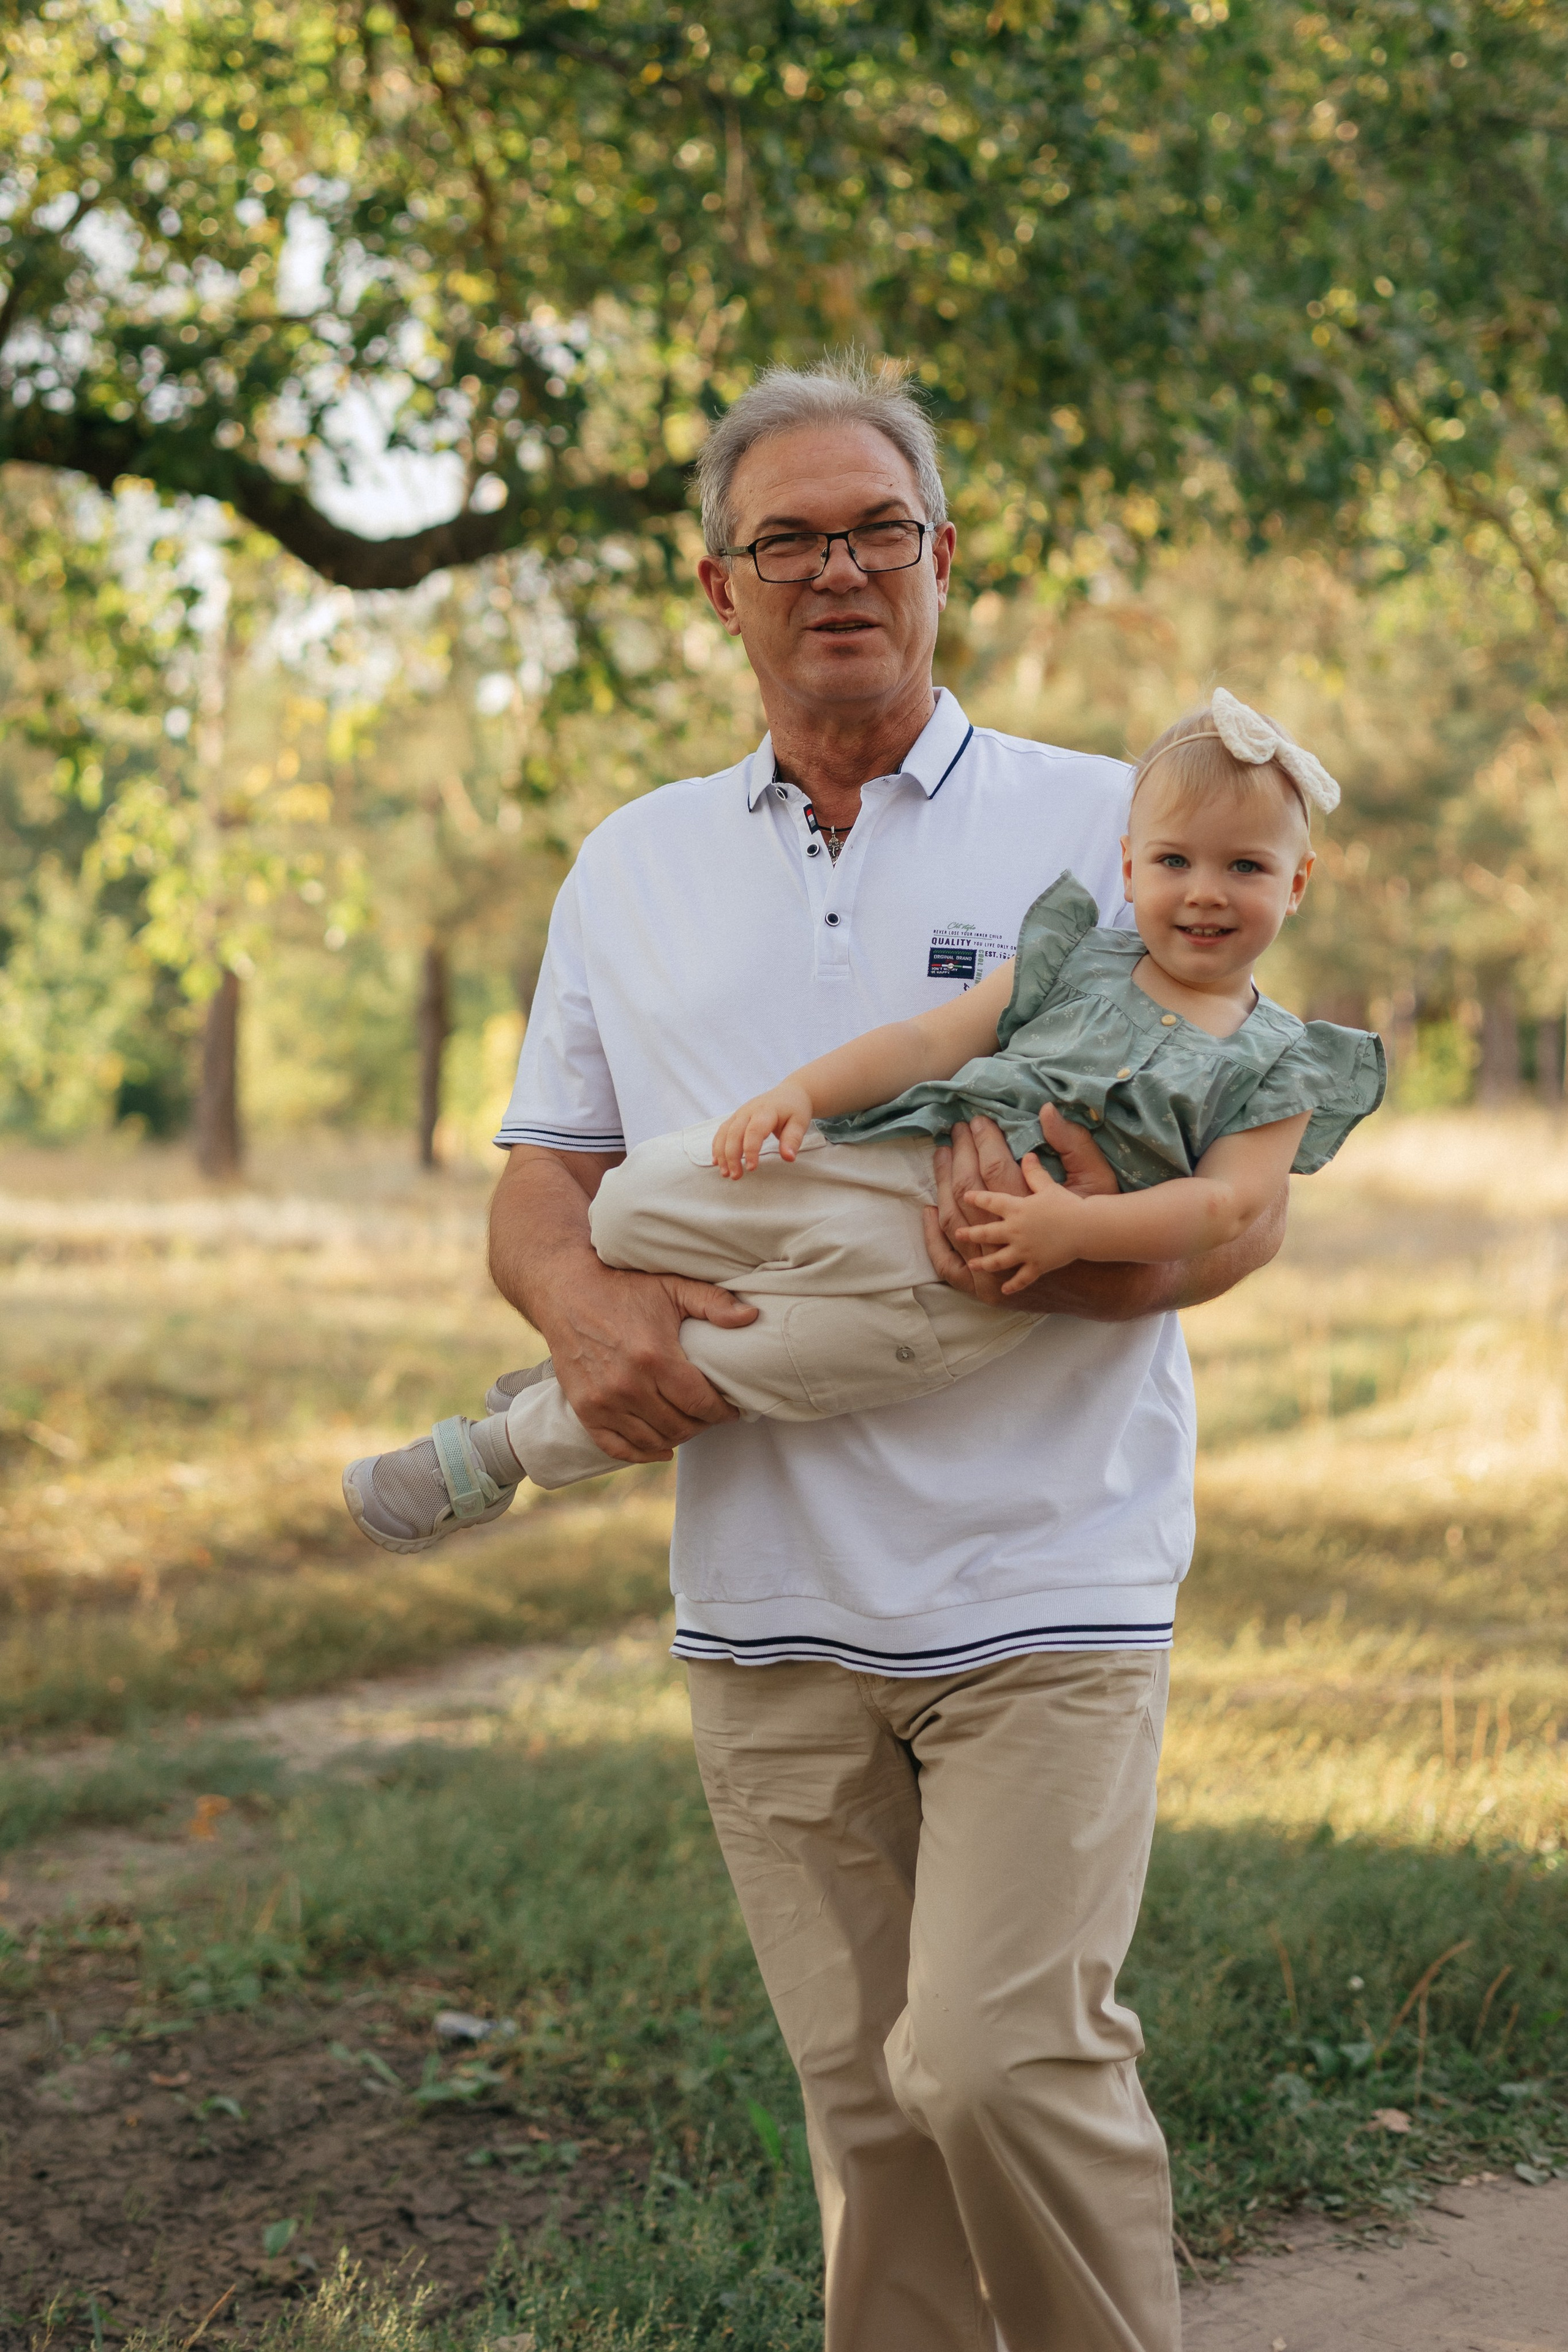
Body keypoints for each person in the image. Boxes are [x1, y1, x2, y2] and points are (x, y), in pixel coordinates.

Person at [352, 360, 1303, 2352]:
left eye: (877, 528)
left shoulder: (1115, 825)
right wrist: (585, 1327)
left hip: (1045, 1581)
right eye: (788, 539)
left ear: (943, 555)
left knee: (1001, 2065)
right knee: (873, 2119)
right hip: (765, 1606)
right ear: (721, 586)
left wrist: (1045, 1262)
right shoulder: (632, 864)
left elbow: (1240, 1200)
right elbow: (545, 1187)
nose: (839, 569)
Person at [344, 691, 1382, 1536]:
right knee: (636, 1203)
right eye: (1175, 863)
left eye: (1245, 868)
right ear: (1130, 869)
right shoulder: (1076, 955)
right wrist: (801, 1094)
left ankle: (499, 1452)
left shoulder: (1283, 1063)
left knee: (751, 1360)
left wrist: (1074, 1232)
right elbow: (928, 1044)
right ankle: (586, 1357)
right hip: (896, 1155)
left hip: (961, 1289)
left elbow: (1227, 1208)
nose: (1205, 893)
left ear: (1297, 883)